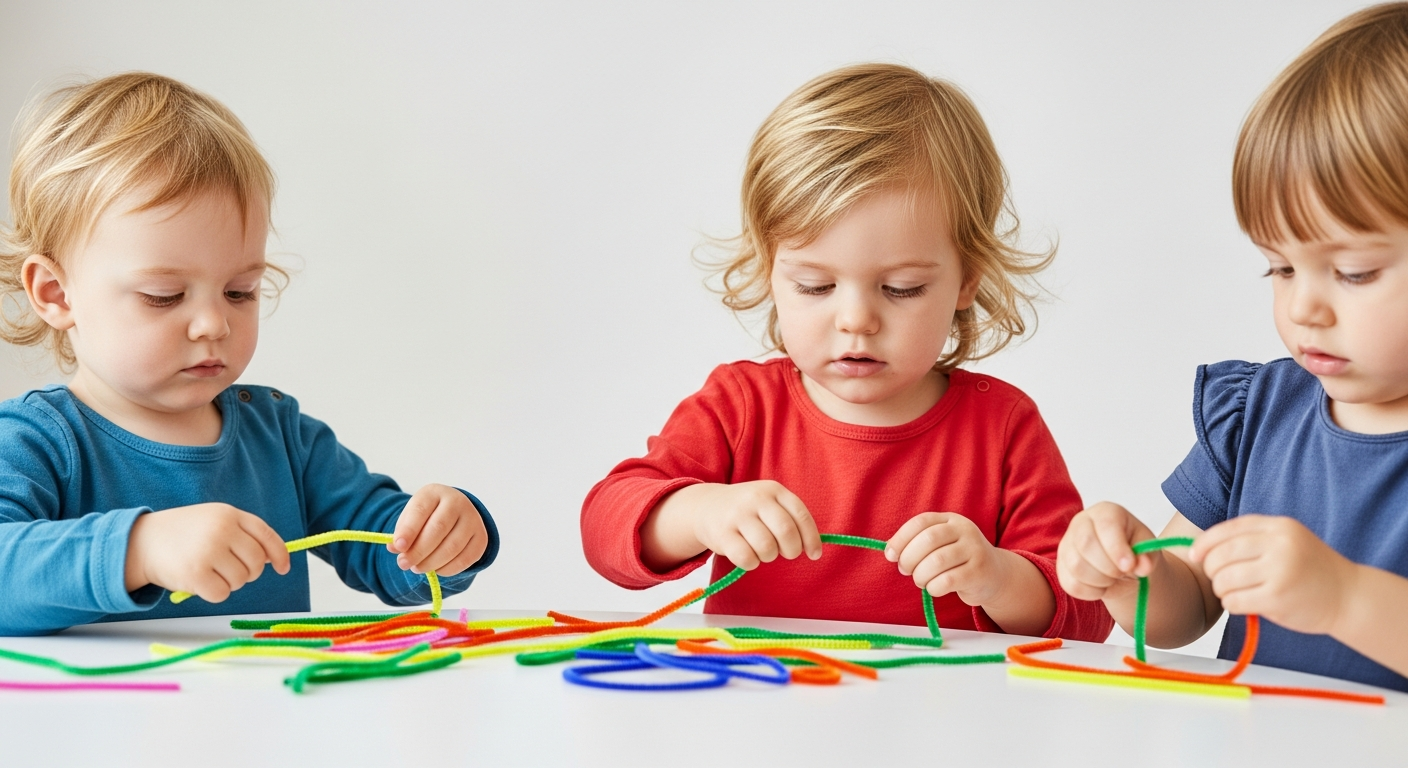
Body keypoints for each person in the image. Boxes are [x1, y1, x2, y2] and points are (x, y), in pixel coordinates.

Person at [582, 63, 1111, 640]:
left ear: (967, 280)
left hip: (938, 696)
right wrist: (698, 512)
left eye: (902, 288)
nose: (856, 320)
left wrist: (999, 579)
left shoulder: (1003, 427)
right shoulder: (739, 407)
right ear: (770, 273)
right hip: (762, 688)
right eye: (815, 286)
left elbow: (1087, 614)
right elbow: (605, 529)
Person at [0, 73, 498, 635]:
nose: (214, 323)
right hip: (111, 698)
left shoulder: (281, 436)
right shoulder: (33, 443)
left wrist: (442, 536)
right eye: (164, 295)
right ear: (56, 293)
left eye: (239, 292)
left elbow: (386, 549)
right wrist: (139, 549)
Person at [1056, 4, 1408, 692]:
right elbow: (1188, 606)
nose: (1303, 308)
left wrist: (1343, 598)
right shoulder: (1257, 413)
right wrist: (1131, 574)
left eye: (1353, 272)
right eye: (1281, 268)